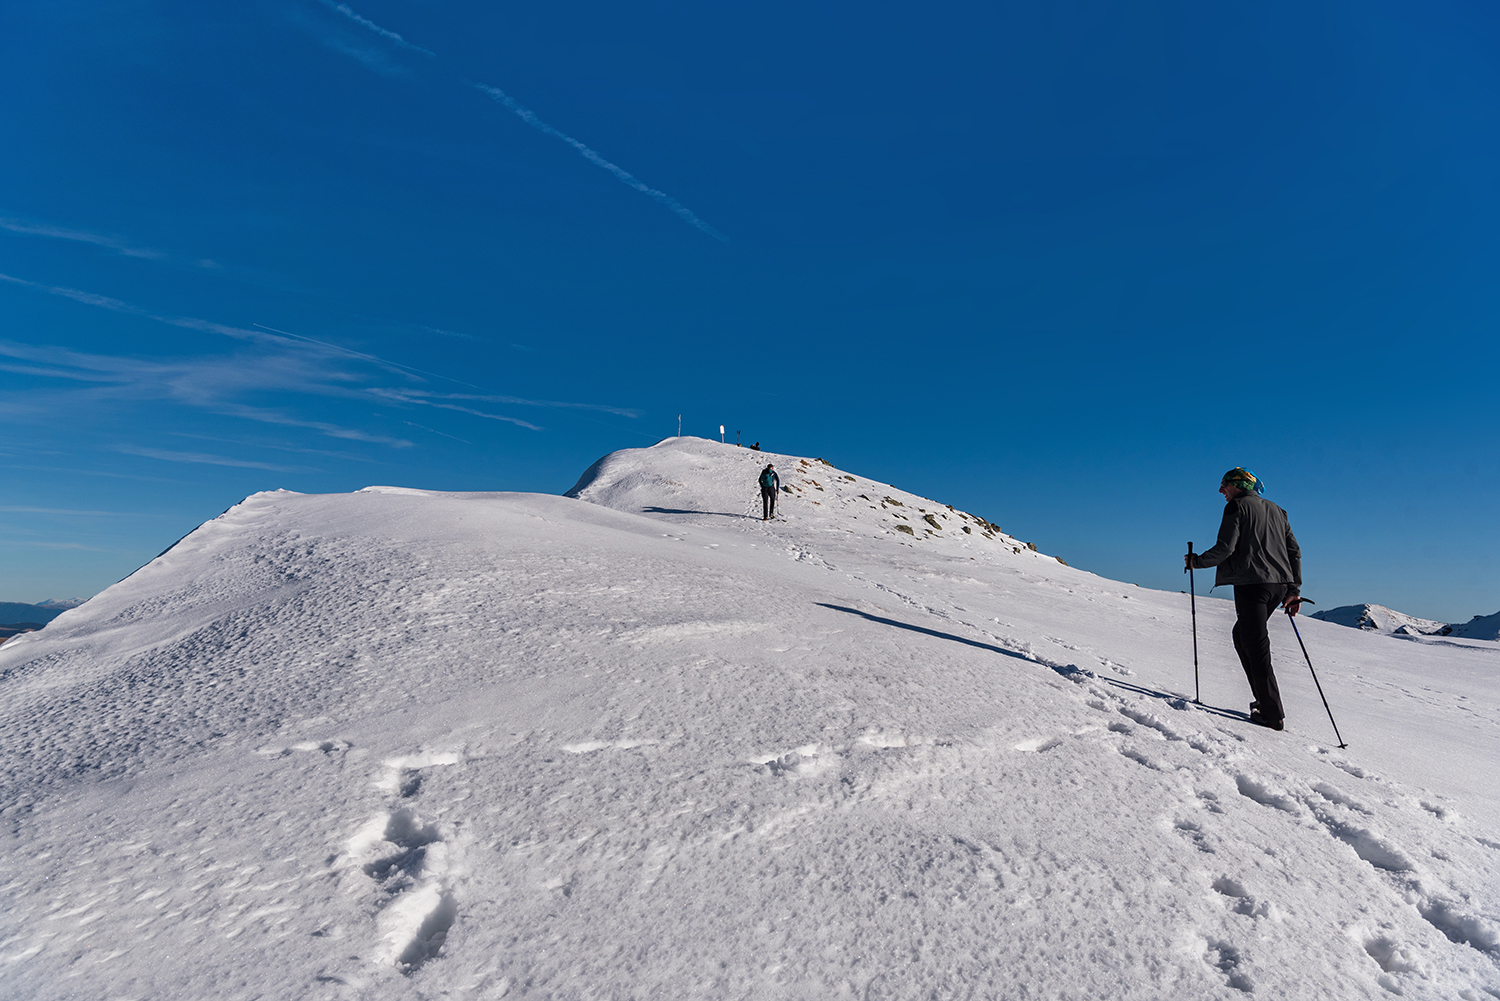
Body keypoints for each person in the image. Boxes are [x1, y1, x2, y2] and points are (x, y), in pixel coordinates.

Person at [1185, 468, 1304, 731]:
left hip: (1251, 585)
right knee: (1243, 636)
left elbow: (1226, 548)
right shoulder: (1277, 510)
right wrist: (1293, 589)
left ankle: (1272, 714)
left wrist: (1197, 562)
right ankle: (1263, 701)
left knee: (1257, 646)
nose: (1220, 490)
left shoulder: (1236, 507)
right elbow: (1293, 551)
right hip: (1277, 587)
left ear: (1237, 485)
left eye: (1224, 484)